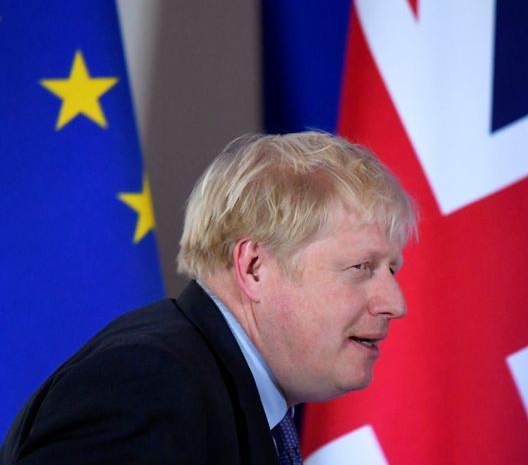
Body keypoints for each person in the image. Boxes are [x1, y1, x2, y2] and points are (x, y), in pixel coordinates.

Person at [1, 131, 417, 464]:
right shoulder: (149, 384)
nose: (394, 303)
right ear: (254, 267)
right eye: (361, 267)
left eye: (391, 269)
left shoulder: (229, 391)